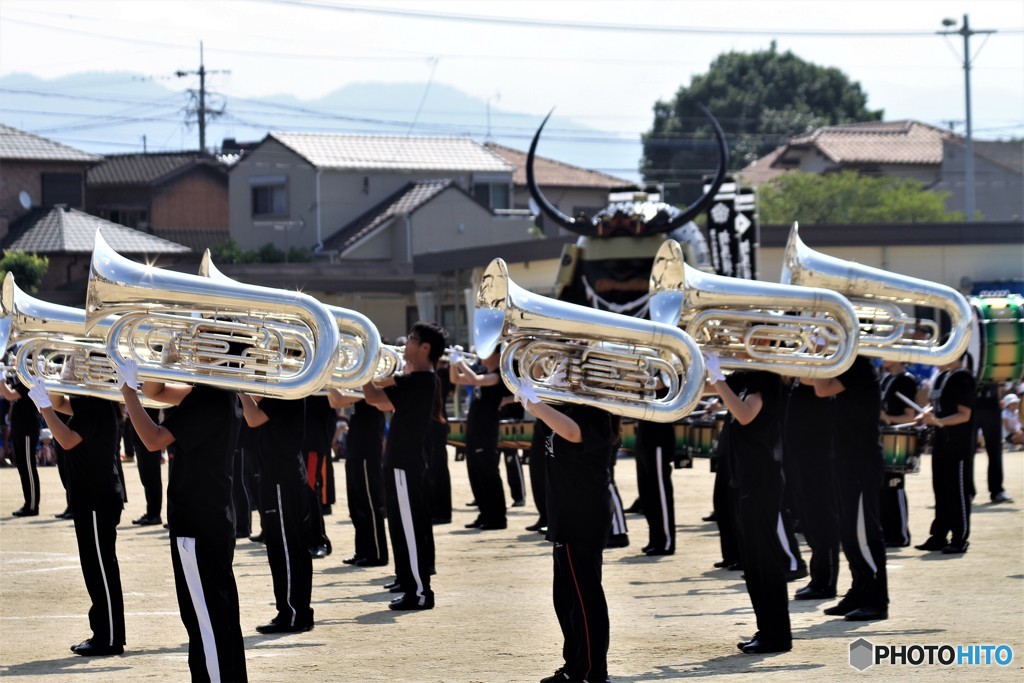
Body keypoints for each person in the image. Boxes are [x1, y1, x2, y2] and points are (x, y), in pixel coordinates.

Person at [117, 356, 248, 682]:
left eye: (201, 342)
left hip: (196, 519)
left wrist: (128, 394)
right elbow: (158, 391)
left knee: (204, 618)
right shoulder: (221, 391)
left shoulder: (206, 398)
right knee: (219, 613)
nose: (195, 349)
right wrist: (167, 358)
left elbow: (153, 439)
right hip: (212, 515)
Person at [516, 371, 613, 683]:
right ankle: (575, 666)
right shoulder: (565, 407)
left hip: (582, 515)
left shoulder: (595, 409)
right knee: (566, 599)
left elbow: (573, 433)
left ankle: (592, 671)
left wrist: (536, 403)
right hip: (566, 515)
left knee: (585, 598)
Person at [28, 376, 126, 656]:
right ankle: (105, 633)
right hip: (91, 497)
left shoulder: (96, 405)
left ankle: (108, 638)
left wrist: (45, 409)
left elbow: (68, 440)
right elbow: (60, 402)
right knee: (96, 569)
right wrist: (50, 381)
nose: (70, 366)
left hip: (97, 498)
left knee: (101, 571)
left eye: (77, 362)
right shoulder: (91, 402)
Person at [705, 355, 793, 654]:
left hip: (763, 479)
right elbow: (710, 389)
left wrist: (718, 378)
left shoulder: (767, 379)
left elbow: (745, 414)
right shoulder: (747, 376)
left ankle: (777, 634)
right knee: (753, 563)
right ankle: (766, 629)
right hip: (746, 479)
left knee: (765, 560)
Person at [362, 321, 447, 611]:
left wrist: (362, 368)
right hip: (400, 462)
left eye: (411, 339)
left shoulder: (420, 380)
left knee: (409, 528)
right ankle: (408, 582)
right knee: (400, 526)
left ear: (425, 348)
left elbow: (373, 397)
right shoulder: (418, 380)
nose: (405, 344)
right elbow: (380, 398)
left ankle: (420, 592)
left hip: (404, 463)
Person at [809, 355, 889, 622]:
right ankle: (859, 590)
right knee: (849, 532)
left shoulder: (859, 364)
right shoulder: (844, 364)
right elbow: (808, 379)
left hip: (861, 460)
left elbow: (820, 389)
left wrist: (820, 353)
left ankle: (877, 599)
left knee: (864, 532)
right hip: (846, 459)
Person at [239, 394, 315, 633]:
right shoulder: (286, 387)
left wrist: (239, 386)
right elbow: (259, 401)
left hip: (281, 478)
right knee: (290, 548)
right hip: (282, 475)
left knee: (285, 549)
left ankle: (292, 613)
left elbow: (252, 418)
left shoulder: (286, 389)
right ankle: (296, 611)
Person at [783, 378, 839, 600]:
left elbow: (819, 385)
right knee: (809, 521)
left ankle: (826, 581)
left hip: (820, 454)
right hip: (800, 455)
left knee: (823, 519)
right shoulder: (801, 368)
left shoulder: (820, 365)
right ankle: (819, 577)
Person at [916, 354, 975, 554]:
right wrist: (924, 414)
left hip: (957, 445)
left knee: (957, 491)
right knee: (941, 490)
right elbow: (937, 405)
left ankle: (960, 538)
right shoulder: (942, 377)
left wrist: (938, 422)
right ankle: (939, 535)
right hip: (941, 443)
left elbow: (964, 415)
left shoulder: (962, 378)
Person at [449, 349, 509, 530]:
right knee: (475, 473)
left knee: (488, 473)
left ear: (497, 355)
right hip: (474, 428)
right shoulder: (482, 371)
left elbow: (475, 380)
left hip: (487, 429)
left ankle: (497, 518)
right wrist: (453, 363)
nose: (483, 354)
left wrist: (460, 362)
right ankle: (484, 514)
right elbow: (456, 380)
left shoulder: (498, 376)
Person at [330, 392, 388, 567]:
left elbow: (339, 400)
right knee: (356, 502)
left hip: (367, 445)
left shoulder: (370, 382)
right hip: (356, 444)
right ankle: (363, 550)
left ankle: (377, 553)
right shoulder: (358, 385)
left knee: (369, 501)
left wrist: (329, 377)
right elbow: (335, 402)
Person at [878, 359, 920, 547]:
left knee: (894, 487)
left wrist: (887, 418)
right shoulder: (887, 379)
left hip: (896, 440)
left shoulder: (906, 380)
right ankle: (887, 532)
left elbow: (910, 416)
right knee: (883, 489)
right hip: (884, 438)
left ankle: (900, 534)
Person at [1, 374, 42, 516]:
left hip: (27, 429)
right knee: (22, 467)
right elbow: (3, 392)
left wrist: (1, 377)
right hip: (20, 429)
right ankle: (28, 503)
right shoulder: (21, 382)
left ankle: (32, 506)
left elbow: (9, 395)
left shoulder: (29, 381)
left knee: (28, 467)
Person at [304, 394, 335, 558]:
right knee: (303, 492)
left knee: (310, 490)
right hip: (300, 440)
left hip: (312, 441)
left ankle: (319, 540)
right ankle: (311, 539)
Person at [976, 382, 1014, 503]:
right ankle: (966, 491)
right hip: (969, 402)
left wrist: (1001, 392)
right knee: (967, 451)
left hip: (991, 403)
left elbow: (1004, 381)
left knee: (995, 450)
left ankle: (997, 490)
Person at [128, 406, 164, 526]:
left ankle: (154, 514)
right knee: (146, 476)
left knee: (151, 476)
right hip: (140, 436)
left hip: (150, 434)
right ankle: (151, 512)